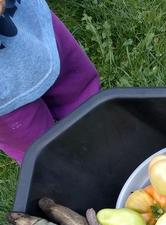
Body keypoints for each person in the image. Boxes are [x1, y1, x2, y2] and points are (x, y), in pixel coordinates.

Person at [0, 0, 100, 162]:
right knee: (40, 149)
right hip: (6, 99)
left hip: (28, 22)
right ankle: (66, 172)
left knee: (80, 92)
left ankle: (99, 130)